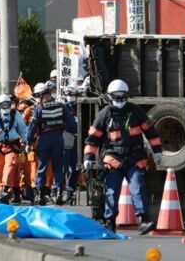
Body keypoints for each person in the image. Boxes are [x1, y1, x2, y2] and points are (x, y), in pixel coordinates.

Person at [83, 79, 162, 234]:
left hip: (135, 159)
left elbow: (151, 132)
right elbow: (93, 138)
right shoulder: (104, 114)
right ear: (110, 96)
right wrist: (88, 158)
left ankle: (143, 220)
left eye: (122, 95)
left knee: (138, 187)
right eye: (116, 96)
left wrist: (157, 150)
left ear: (127, 95)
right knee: (112, 190)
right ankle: (110, 222)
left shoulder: (136, 111)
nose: (119, 99)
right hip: (113, 160)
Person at [27, 81, 78, 206]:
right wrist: (67, 130)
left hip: (43, 139)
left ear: (40, 95)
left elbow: (31, 128)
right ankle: (59, 193)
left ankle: (40, 195)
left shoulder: (39, 109)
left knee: (42, 167)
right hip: (59, 139)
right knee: (58, 167)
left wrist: (29, 141)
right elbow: (72, 123)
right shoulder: (61, 106)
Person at [0, 94, 27, 204]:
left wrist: (25, 142)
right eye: (3, 104)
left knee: (10, 166)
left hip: (12, 146)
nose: (6, 106)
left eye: (8, 104)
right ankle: (1, 191)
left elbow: (23, 130)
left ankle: (7, 189)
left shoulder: (16, 115)